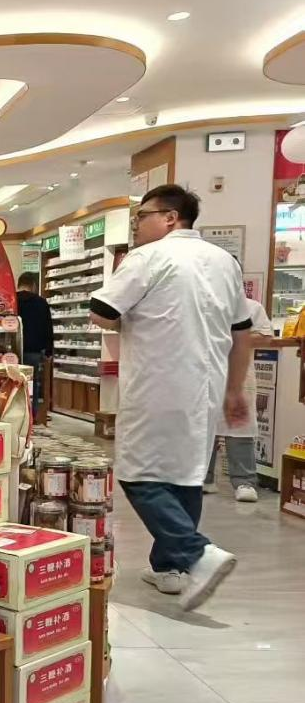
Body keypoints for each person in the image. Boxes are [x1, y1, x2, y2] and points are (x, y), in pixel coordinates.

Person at [88, 184, 253, 611]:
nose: (137, 224)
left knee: (138, 474)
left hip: (157, 383)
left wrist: (129, 315)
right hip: (206, 387)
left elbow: (101, 313)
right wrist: (235, 388)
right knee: (185, 473)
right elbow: (242, 332)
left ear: (170, 218)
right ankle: (170, 569)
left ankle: (196, 553)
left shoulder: (149, 257)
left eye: (142, 216)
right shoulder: (224, 262)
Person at [205, 296, 275, 501]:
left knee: (239, 427)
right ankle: (203, 479)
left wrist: (234, 337)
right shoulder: (202, 303)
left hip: (239, 375)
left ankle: (245, 481)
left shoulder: (251, 307)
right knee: (204, 427)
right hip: (205, 375)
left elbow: (265, 337)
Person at [16, 272, 55, 416]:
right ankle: (32, 414)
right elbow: (48, 328)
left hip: (12, 351)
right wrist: (49, 351)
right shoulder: (41, 303)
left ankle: (15, 411)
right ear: (33, 285)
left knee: (12, 382)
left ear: (19, 284)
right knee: (32, 383)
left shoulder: (11, 300)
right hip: (33, 351)